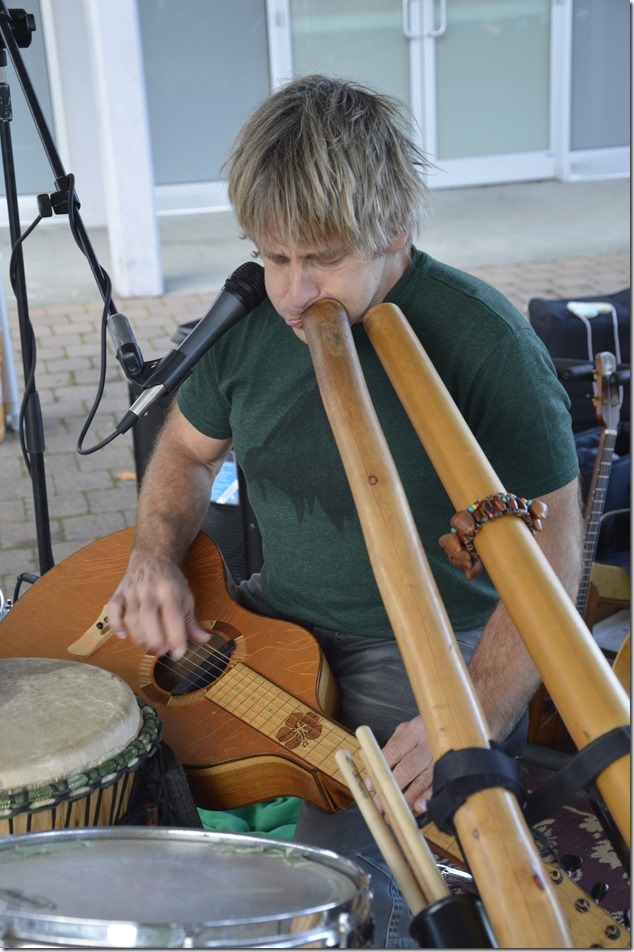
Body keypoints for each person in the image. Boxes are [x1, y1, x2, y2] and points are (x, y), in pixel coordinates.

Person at [107, 75, 583, 947]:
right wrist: (153, 554)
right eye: (273, 256)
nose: (291, 292)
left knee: (353, 901)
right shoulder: (256, 319)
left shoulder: (482, 341)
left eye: (319, 258)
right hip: (276, 618)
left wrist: (471, 712)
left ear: (393, 229)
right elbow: (181, 451)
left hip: (429, 646)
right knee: (109, 766)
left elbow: (555, 554)